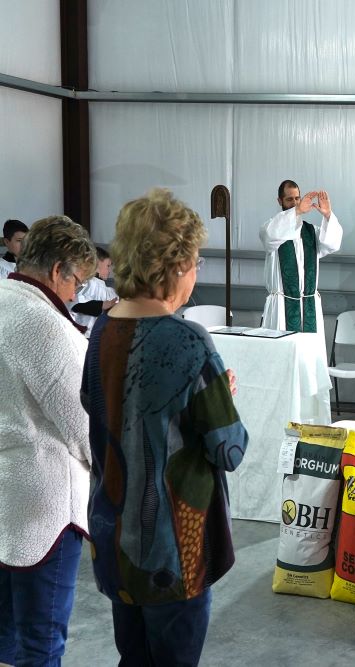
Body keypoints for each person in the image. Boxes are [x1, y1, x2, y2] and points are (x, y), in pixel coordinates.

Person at [82, 189, 249, 664]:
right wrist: (218, 393)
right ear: (174, 265)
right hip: (173, 548)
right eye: (195, 261)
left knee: (132, 657)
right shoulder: (187, 337)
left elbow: (98, 404)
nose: (196, 274)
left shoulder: (103, 328)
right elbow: (229, 450)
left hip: (114, 535)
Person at [0, 216, 96, 665]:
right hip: (44, 510)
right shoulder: (47, 326)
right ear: (58, 270)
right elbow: (87, 427)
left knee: (4, 635)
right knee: (40, 642)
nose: (77, 293)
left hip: (4, 497)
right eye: (78, 281)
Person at [260, 179, 343, 339]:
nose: (294, 203)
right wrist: (297, 211)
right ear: (280, 201)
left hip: (309, 306)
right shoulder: (271, 228)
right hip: (282, 308)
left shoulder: (311, 232)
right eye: (289, 199)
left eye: (297, 198)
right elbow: (270, 236)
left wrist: (327, 216)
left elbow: (332, 243)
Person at [70, 246, 118, 336]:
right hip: (85, 334)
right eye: (107, 266)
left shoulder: (106, 288)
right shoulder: (88, 282)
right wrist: (100, 305)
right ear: (97, 264)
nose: (109, 271)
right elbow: (75, 305)